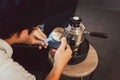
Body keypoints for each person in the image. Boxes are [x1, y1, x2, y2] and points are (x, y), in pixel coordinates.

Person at [0, 24, 72, 80]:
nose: (37, 29)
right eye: (35, 26)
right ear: (22, 32)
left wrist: (23, 37)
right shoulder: (13, 73)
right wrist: (58, 66)